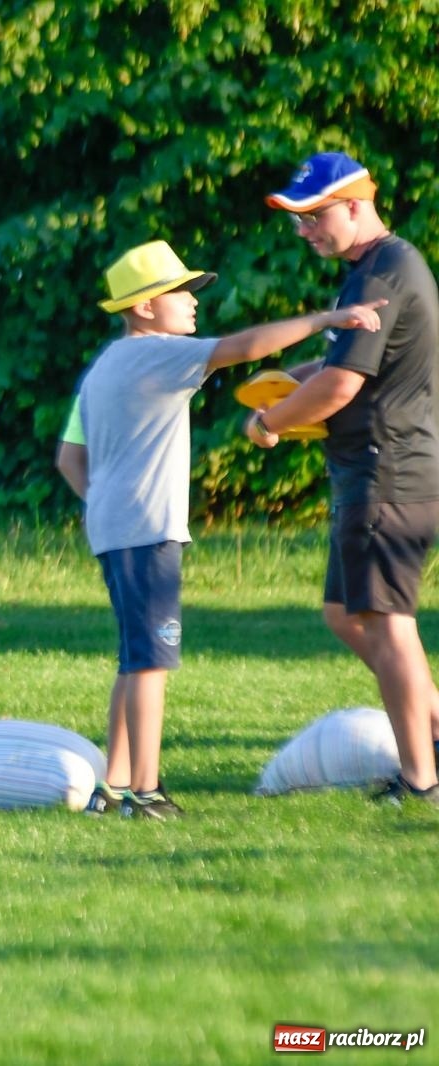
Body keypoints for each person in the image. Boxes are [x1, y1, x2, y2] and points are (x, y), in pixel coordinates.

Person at [76, 239, 386, 819]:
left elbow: (82, 457)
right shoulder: (155, 354)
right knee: (151, 662)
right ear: (144, 307)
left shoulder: (108, 366)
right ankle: (145, 793)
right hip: (146, 528)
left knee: (133, 657)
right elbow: (242, 348)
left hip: (117, 526)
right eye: (180, 292)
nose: (193, 302)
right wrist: (326, 318)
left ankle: (113, 786)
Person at [249, 151, 439, 807]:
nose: (303, 230)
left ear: (356, 205)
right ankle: (432, 733)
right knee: (344, 614)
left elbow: (340, 386)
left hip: (389, 474)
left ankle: (421, 780)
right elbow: (332, 367)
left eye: (313, 216)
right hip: (378, 474)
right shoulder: (373, 270)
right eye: (297, 219)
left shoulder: (381, 274)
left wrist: (270, 422)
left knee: (389, 626)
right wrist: (278, 386)